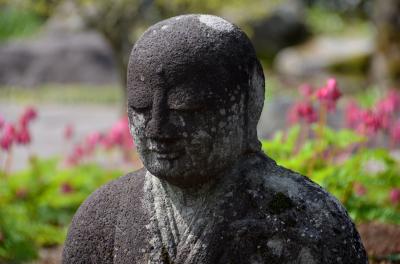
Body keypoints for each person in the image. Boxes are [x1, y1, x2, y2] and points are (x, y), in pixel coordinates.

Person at [63, 14, 367, 264]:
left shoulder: (305, 220)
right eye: (141, 107)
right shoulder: (103, 216)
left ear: (249, 101)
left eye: (185, 108)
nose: (157, 129)